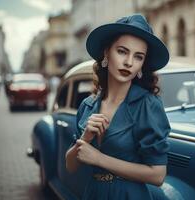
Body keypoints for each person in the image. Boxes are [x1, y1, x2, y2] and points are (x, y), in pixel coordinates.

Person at [66, 14, 171, 200]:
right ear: (107, 53)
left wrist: (99, 159)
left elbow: (157, 175)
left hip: (129, 195)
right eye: (122, 51)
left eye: (138, 57)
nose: (129, 62)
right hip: (93, 194)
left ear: (142, 65)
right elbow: (70, 165)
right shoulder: (88, 105)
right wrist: (85, 137)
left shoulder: (148, 105)